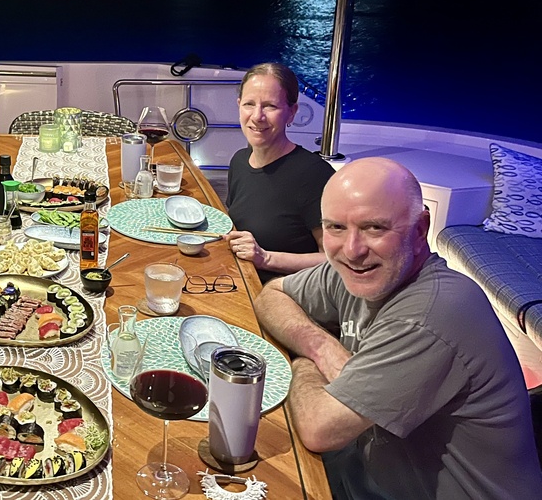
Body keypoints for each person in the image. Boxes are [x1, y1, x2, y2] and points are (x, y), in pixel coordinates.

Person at [255, 157, 542, 499]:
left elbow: (319, 428)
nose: (352, 249)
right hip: (367, 472)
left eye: (374, 228)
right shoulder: (355, 269)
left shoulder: (432, 314)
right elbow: (270, 295)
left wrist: (300, 358)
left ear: (420, 229)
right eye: (335, 227)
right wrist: (321, 347)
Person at [225, 62, 334, 280]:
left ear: (292, 112)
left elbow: (335, 259)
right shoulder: (239, 161)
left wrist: (265, 258)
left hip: (288, 294)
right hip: (241, 280)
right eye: (249, 104)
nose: (257, 116)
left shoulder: (314, 175)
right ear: (239, 106)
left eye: (270, 106)